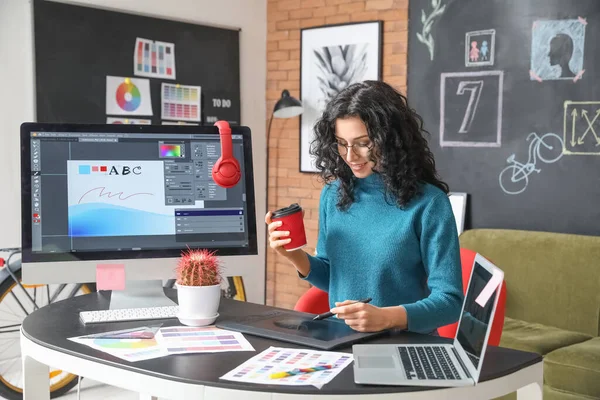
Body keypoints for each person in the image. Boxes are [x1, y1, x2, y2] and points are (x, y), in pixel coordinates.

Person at [265, 80, 463, 334]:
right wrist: (293, 255)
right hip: (340, 341)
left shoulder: (429, 203)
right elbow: (332, 277)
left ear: (392, 140)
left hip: (403, 345)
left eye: (363, 143)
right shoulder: (334, 195)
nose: (349, 156)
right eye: (341, 142)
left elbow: (450, 302)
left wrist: (387, 318)